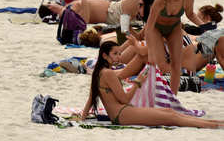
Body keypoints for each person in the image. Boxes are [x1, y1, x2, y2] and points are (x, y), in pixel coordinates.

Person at [80, 41, 223, 128]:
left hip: (121, 113)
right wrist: (138, 82)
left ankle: (215, 122)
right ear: (105, 56)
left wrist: (82, 118)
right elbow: (124, 99)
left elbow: (90, 98)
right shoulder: (108, 73)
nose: (119, 57)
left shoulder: (99, 72)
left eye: (119, 53)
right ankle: (215, 125)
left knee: (170, 113)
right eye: (115, 54)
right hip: (121, 115)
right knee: (171, 118)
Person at [145, 0, 203, 96]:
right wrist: (150, 51)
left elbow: (191, 14)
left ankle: (173, 96)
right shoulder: (161, 0)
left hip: (174, 28)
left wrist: (204, 26)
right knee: (159, 63)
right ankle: (156, 91)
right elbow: (149, 26)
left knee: (176, 64)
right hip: (157, 28)